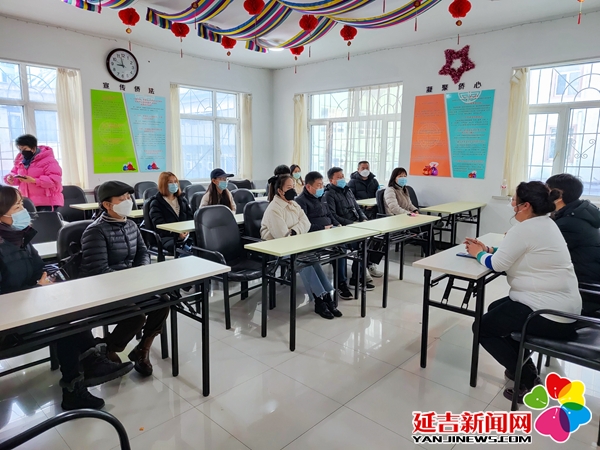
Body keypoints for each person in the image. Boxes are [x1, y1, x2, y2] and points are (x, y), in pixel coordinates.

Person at [0, 186, 133, 410]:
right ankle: (81, 377)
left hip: (29, 307)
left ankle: (84, 371)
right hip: (9, 324)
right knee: (65, 323)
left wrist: (50, 276)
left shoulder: (20, 239)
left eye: (22, 204)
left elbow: (38, 268)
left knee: (71, 311)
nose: (24, 210)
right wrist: (35, 288)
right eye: (17, 207)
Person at [464, 181, 581, 403]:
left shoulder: (524, 229)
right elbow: (516, 251)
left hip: (548, 314)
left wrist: (478, 254)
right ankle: (521, 363)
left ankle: (528, 379)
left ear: (525, 205)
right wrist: (487, 249)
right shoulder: (546, 223)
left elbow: (497, 264)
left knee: (482, 328)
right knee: (494, 308)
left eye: (514, 200)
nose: (512, 204)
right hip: (564, 309)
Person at [80, 181, 170, 377]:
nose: (128, 202)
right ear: (107, 204)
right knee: (136, 316)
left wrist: (141, 273)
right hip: (105, 290)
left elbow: (143, 253)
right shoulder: (95, 231)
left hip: (131, 285)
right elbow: (99, 271)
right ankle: (109, 349)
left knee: (163, 301)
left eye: (129, 198)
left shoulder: (130, 224)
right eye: (122, 199)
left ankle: (142, 349)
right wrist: (130, 283)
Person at [261, 174, 342, 319]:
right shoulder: (274, 209)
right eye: (289, 187)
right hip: (277, 248)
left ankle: (326, 296)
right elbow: (283, 236)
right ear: (280, 191)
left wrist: (293, 230)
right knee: (303, 261)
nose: (293, 190)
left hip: (296, 243)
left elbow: (306, 223)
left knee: (312, 259)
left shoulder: (293, 203)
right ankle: (319, 300)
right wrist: (296, 230)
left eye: (293, 186)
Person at [546, 173, 600, 315]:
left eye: (546, 191)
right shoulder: (579, 212)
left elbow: (543, 253)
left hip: (581, 288)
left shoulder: (570, 223)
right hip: (585, 278)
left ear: (558, 195)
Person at [295, 171, 353, 300]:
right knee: (338, 248)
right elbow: (305, 224)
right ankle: (333, 288)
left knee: (342, 246)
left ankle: (341, 282)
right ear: (308, 186)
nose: (321, 187)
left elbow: (330, 215)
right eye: (318, 185)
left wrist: (338, 225)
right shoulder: (300, 201)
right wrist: (322, 228)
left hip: (329, 231)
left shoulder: (322, 197)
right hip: (313, 236)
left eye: (322, 184)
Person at [323, 167, 377, 289]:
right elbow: (333, 215)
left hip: (355, 226)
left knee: (365, 244)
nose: (342, 179)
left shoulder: (348, 190)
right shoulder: (329, 194)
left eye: (342, 176)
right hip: (341, 228)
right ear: (331, 180)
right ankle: (341, 283)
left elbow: (357, 208)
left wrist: (363, 219)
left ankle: (357, 278)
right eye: (338, 177)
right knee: (340, 249)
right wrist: (351, 223)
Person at [4, 134, 63, 211]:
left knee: (44, 219)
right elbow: (14, 174)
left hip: (46, 202)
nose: (22, 151)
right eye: (20, 149)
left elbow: (54, 180)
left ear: (33, 147)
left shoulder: (49, 161)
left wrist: (34, 180)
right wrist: (11, 178)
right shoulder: (21, 161)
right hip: (27, 202)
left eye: (25, 148)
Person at [149, 171, 193, 253]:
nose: (174, 184)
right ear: (163, 184)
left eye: (175, 182)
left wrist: (187, 231)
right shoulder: (156, 203)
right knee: (184, 248)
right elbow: (159, 225)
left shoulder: (182, 200)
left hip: (186, 234)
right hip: (167, 237)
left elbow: (190, 217)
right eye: (170, 182)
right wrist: (177, 234)